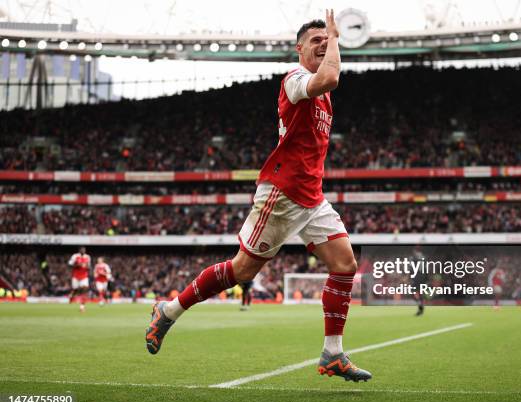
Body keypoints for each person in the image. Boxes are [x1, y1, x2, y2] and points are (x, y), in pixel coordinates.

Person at [146, 9, 371, 382]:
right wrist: (334, 37)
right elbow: (330, 76)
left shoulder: (323, 98)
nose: (322, 44)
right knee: (241, 271)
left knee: (345, 265)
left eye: (324, 40)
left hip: (311, 197)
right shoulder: (296, 79)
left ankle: (333, 353)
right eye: (314, 40)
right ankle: (168, 311)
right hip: (281, 194)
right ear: (299, 49)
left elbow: (329, 82)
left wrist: (331, 42)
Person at [68, 246, 91, 313]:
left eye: (84, 250)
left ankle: (82, 307)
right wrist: (78, 265)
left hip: (84, 276)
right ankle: (72, 295)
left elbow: (89, 267)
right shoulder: (75, 256)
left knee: (84, 290)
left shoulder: (88, 257)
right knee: (76, 290)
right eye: (82, 250)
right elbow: (70, 264)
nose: (83, 251)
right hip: (76, 276)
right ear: (79, 250)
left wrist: (86, 266)